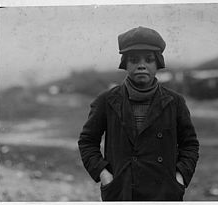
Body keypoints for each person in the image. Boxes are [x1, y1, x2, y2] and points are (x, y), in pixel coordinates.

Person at [78, 26, 199, 201]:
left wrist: (179, 178)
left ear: (158, 63)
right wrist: (105, 176)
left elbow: (190, 145)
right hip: (122, 191)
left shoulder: (175, 102)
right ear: (125, 64)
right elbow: (87, 142)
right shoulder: (106, 100)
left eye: (149, 59)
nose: (141, 65)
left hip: (164, 193)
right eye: (134, 60)